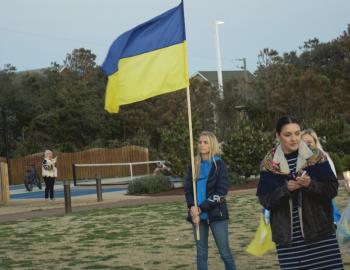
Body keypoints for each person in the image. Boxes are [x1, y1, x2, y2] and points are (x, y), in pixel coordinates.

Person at [257, 116, 344, 269]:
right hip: (289, 241)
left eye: (297, 133)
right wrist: (286, 190)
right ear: (277, 136)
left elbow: (332, 189)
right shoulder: (269, 164)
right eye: (288, 135)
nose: (294, 139)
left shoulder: (316, 157)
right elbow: (266, 200)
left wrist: (311, 184)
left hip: (320, 235)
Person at [184, 131, 236, 270]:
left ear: (212, 144)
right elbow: (188, 189)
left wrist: (201, 207)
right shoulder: (193, 165)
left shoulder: (220, 165)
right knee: (201, 255)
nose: (202, 145)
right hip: (197, 216)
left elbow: (221, 193)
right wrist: (192, 208)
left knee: (225, 253)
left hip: (217, 215)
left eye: (205, 142)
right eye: (200, 142)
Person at [301, 128, 342, 223]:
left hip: (322, 201)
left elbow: (332, 183)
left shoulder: (323, 158)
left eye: (309, 142)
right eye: (303, 142)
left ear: (315, 143)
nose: (307, 144)